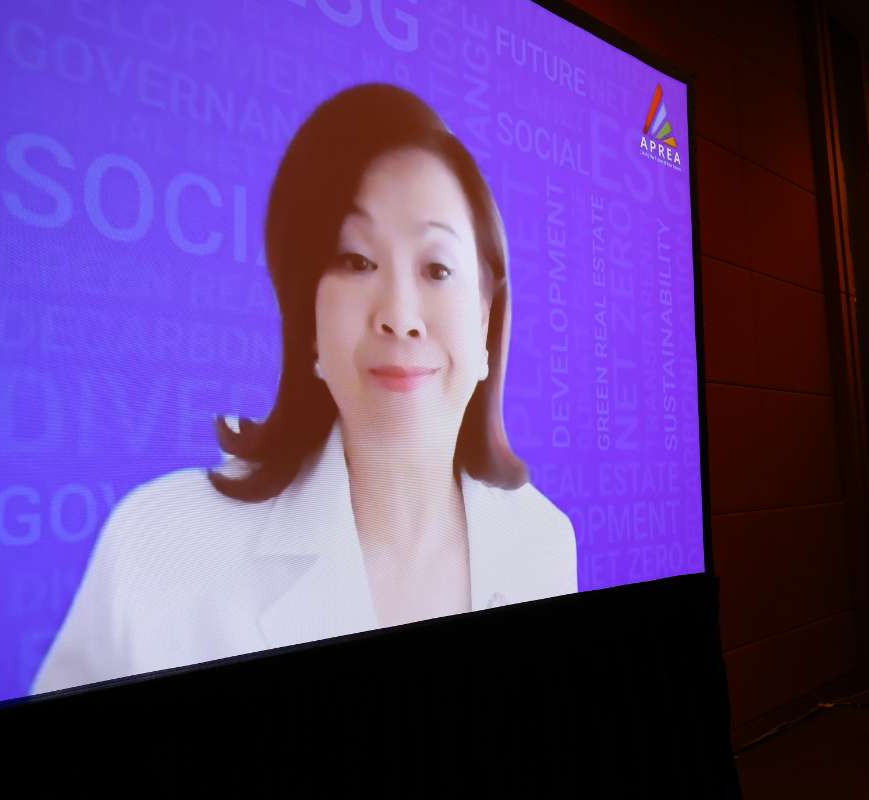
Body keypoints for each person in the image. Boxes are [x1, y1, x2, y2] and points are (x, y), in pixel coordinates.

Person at [32, 84, 577, 695]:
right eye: (356, 261)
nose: (400, 316)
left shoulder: (543, 541)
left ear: (485, 321)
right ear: (309, 324)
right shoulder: (162, 545)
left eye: (437, 268)